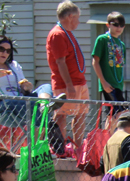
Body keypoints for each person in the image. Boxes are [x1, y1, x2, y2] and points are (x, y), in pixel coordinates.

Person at [46, 1, 89, 144]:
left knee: (81, 113)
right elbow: (60, 61)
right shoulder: (57, 34)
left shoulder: (67, 33)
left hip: (79, 82)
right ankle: (59, 148)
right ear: (70, 16)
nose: (78, 21)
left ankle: (78, 147)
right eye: (77, 17)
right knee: (62, 114)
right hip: (66, 84)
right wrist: (69, 85)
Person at [92, 12, 127, 103]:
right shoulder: (102, 39)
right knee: (119, 110)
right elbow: (95, 62)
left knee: (120, 110)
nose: (119, 28)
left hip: (118, 85)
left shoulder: (122, 45)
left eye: (121, 25)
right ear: (108, 25)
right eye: (115, 24)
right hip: (108, 85)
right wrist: (103, 82)